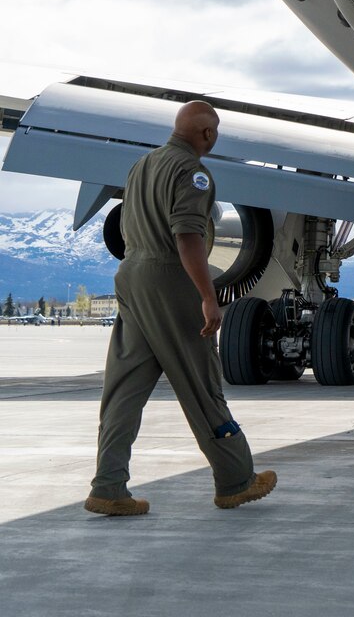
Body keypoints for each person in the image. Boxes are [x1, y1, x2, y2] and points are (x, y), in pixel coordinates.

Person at [84, 101, 276, 516]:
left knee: (124, 388)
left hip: (131, 276)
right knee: (200, 382)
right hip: (169, 279)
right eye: (216, 132)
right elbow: (188, 235)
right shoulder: (194, 173)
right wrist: (209, 296)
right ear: (206, 134)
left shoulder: (141, 165)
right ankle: (235, 480)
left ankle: (108, 486)